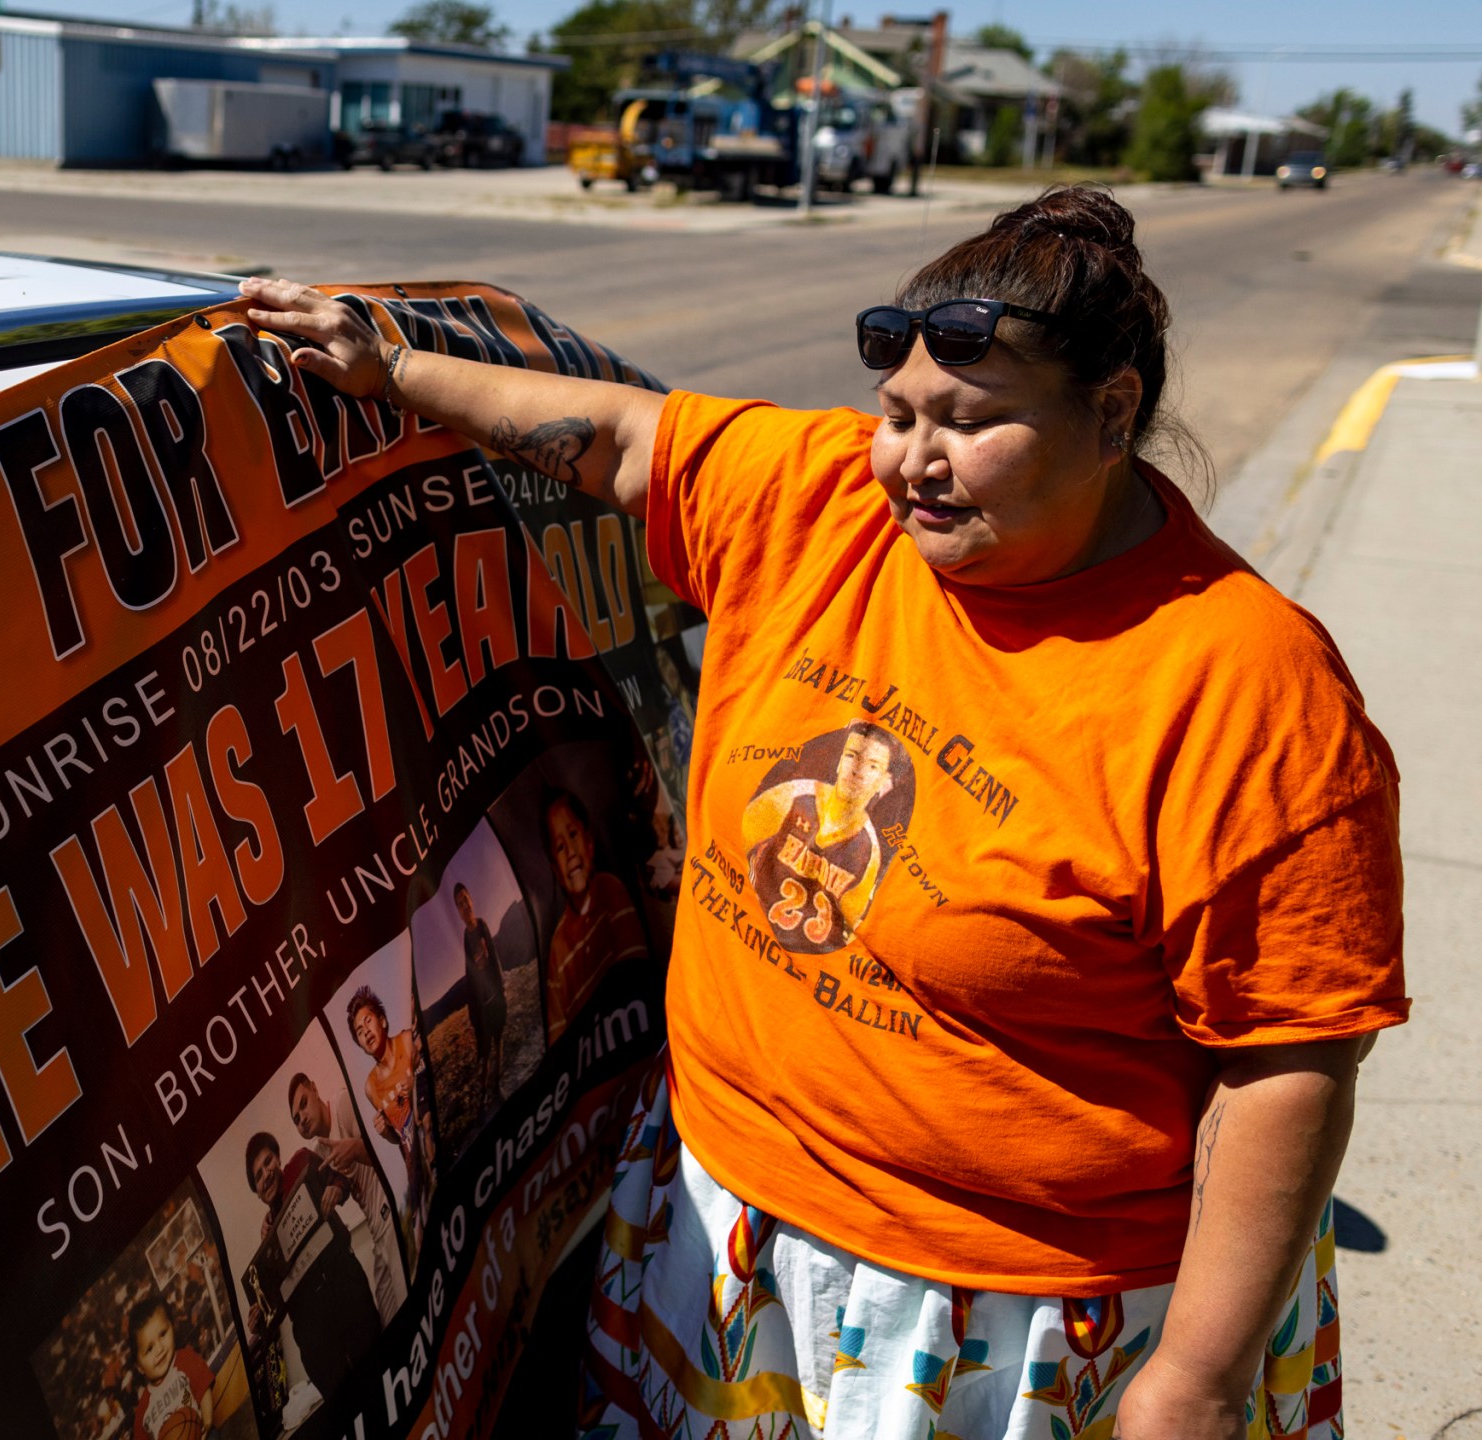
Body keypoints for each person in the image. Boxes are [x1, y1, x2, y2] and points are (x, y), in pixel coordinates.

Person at [238, 184, 1405, 1440]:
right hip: (726, 1227)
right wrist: (394, 367)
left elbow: (1286, 1065)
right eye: (897, 416)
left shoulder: (1249, 689)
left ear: (1113, 413)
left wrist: (1195, 1380)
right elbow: (627, 441)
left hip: (1005, 1322)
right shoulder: (819, 502)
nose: (914, 461)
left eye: (971, 421)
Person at [240, 1132, 382, 1409]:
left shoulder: (302, 1162)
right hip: (313, 1334)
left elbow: (339, 1176)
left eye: (268, 1162)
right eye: (258, 1176)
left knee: (379, 1371)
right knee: (346, 1408)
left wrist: (337, 1189)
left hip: (346, 1290)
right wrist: (259, 1320)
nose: (266, 1174)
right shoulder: (267, 1242)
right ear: (257, 1193)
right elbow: (272, 1309)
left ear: (278, 1159)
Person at [741, 721, 899, 953]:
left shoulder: (869, 852)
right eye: (851, 756)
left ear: (883, 784)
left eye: (872, 766)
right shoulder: (791, 798)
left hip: (808, 962)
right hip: (752, 936)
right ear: (839, 762)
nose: (857, 770)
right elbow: (732, 848)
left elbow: (852, 929)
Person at [287, 1073, 405, 1315]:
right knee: (388, 1314)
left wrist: (355, 1150)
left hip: (392, 1214)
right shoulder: (318, 1151)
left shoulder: (342, 1105)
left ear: (314, 1088)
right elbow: (339, 1190)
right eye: (296, 1119)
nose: (303, 1119)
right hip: (376, 1230)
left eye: (303, 1103)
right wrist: (336, 1189)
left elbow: (388, 1149)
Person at [538, 788, 646, 1039]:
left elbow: (636, 978)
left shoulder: (612, 892)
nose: (570, 853)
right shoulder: (558, 948)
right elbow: (559, 1041)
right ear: (555, 871)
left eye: (573, 835)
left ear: (589, 842)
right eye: (560, 847)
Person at [344, 987, 429, 1186]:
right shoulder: (370, 1087)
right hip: (416, 1168)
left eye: (368, 1021)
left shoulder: (407, 1041)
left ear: (382, 1021)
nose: (365, 1031)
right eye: (359, 1031)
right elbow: (397, 1137)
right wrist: (384, 1133)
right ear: (360, 1044)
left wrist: (416, 1080)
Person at [120, 1295, 235, 1440]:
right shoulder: (143, 1411)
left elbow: (203, 1389)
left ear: (172, 1327)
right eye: (149, 1349)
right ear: (139, 1367)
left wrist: (207, 1420)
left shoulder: (185, 1359)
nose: (159, 1348)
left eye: (163, 1334)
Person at [452, 883, 507, 1085]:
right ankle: (484, 1090)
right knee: (484, 1051)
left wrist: (501, 986)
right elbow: (470, 972)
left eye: (465, 899)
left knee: (498, 1037)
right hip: (482, 1005)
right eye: (460, 904)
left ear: (471, 900)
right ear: (458, 912)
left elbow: (493, 956)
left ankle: (498, 1076)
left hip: (495, 996)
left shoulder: (482, 925)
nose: (464, 906)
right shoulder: (466, 938)